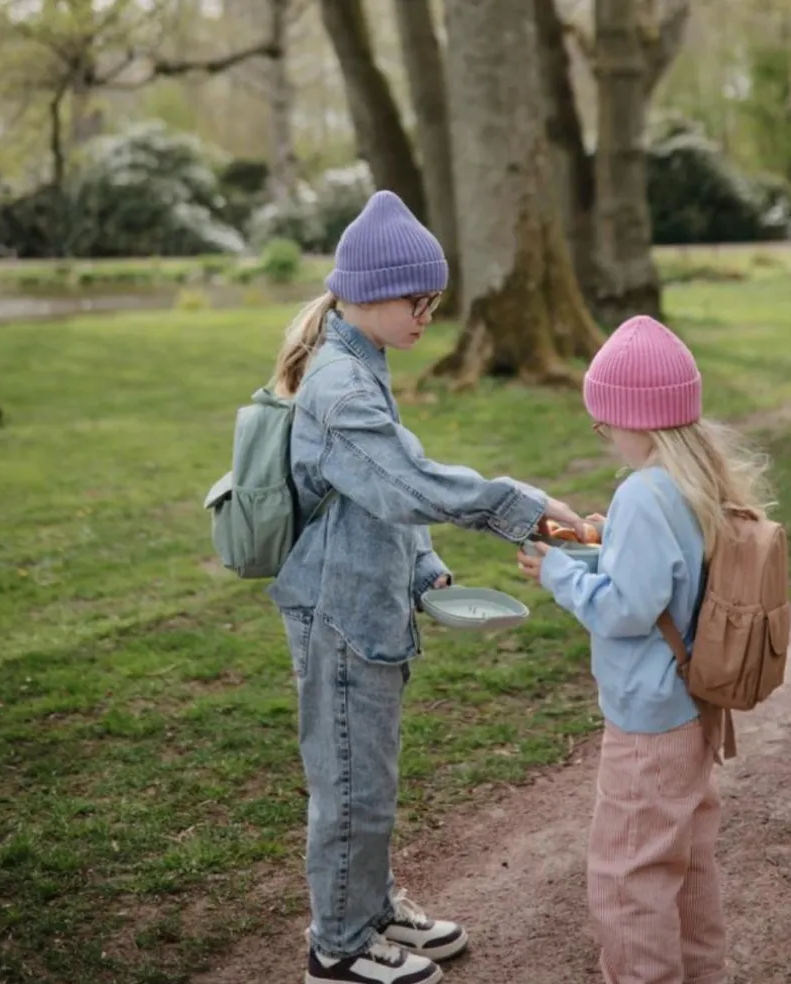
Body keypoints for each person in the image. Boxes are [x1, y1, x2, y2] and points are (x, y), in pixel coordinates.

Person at [267, 189, 588, 984]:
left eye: (435, 302)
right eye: (420, 301)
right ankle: (337, 949)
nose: (429, 318)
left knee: (368, 776)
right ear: (372, 291)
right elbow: (408, 484)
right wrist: (521, 506)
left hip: (368, 602)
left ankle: (369, 911)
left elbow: (376, 496)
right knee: (349, 786)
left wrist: (420, 569)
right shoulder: (340, 387)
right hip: (339, 614)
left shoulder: (359, 366)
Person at [517, 315, 773, 984]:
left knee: (627, 880)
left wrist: (558, 571)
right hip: (695, 708)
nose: (605, 438)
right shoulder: (698, 480)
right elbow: (671, 577)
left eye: (604, 424)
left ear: (635, 419)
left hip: (649, 720)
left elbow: (627, 609)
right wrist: (606, 545)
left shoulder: (642, 493)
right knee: (686, 863)